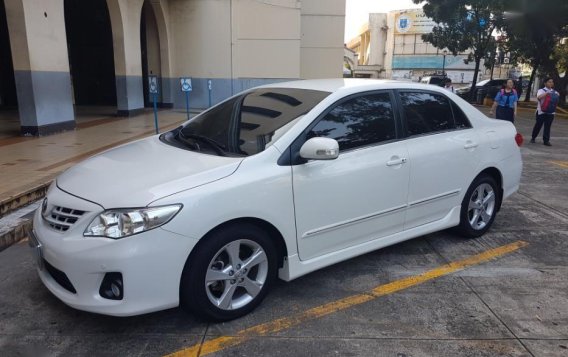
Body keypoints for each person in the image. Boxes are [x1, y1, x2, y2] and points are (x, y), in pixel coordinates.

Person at [531, 77, 559, 146]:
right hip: (541, 111)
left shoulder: (555, 92)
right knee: (538, 125)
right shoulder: (541, 90)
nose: (551, 83)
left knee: (548, 126)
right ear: (545, 83)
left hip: (550, 112)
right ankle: (533, 137)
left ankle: (546, 141)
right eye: (549, 82)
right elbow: (539, 97)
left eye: (552, 82)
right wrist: (547, 93)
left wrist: (556, 95)